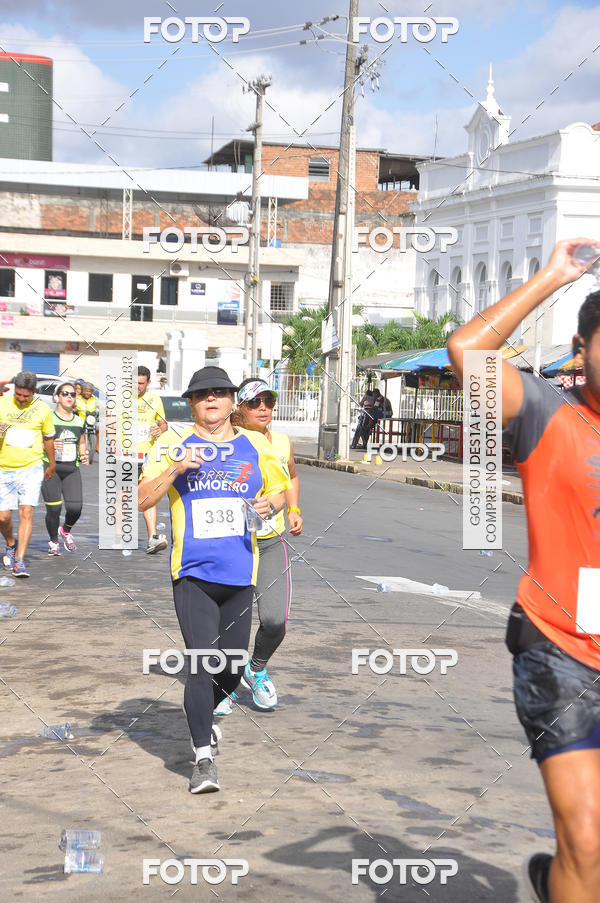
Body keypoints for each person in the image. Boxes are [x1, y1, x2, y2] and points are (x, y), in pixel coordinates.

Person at [447, 238, 600, 903]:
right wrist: (554, 275)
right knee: (586, 835)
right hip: (558, 649)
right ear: (583, 347)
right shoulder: (545, 411)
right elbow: (467, 352)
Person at [138, 366, 290, 794]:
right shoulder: (172, 443)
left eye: (220, 393)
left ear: (230, 402)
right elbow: (142, 498)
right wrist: (176, 469)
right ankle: (202, 758)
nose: (212, 400)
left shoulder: (255, 443)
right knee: (202, 662)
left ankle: (209, 712)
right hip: (193, 575)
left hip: (241, 575)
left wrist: (271, 506)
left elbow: (280, 492)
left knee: (230, 664)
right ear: (192, 402)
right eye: (203, 394)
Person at [220, 377, 302, 713]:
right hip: (234, 544)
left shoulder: (281, 443)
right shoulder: (227, 440)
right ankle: (223, 684)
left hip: (269, 541)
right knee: (227, 624)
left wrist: (290, 507)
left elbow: (291, 477)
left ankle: (255, 670)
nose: (263, 408)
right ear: (239, 406)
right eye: (255, 403)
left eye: (268, 401)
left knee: (275, 621)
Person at [0, 370, 55, 577]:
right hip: (4, 468)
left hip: (31, 468)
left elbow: (48, 438)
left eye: (26, 396)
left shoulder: (42, 409)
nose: (22, 399)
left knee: (26, 512)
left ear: (34, 392)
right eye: (18, 395)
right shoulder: (2, 404)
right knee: (3, 518)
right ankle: (11, 545)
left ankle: (20, 561)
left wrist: (51, 463)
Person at [42, 382, 88, 555]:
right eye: (65, 394)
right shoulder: (49, 418)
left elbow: (81, 441)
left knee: (76, 508)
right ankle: (53, 541)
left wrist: (83, 454)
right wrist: (50, 444)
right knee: (54, 508)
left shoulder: (79, 420)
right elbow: (37, 441)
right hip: (51, 467)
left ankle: (65, 530)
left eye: (72, 394)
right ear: (57, 397)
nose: (69, 397)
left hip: (71, 469)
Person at [137, 366, 168, 554]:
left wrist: (160, 429)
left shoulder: (155, 400)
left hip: (145, 454)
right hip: (122, 455)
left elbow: (163, 424)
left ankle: (152, 537)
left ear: (148, 383)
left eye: (140, 384)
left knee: (148, 495)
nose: (136, 387)